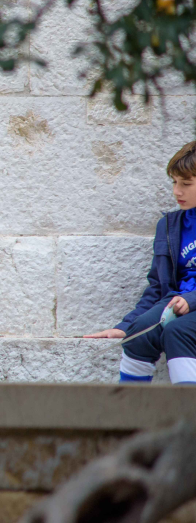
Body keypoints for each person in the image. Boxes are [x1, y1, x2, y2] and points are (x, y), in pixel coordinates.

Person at [85, 141, 196, 384]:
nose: (177, 191)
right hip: (175, 301)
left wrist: (191, 299)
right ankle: (129, 415)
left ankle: (186, 415)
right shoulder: (170, 225)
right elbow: (157, 285)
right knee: (139, 333)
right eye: (174, 182)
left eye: (186, 184)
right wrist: (126, 325)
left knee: (178, 332)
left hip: (188, 304)